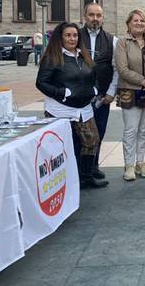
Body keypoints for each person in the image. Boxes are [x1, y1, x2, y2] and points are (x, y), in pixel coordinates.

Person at [35, 22, 109, 189]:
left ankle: (86, 177)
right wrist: (62, 92)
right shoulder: (52, 57)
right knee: (62, 147)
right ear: (60, 37)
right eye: (68, 35)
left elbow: (94, 74)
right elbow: (41, 83)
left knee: (91, 141)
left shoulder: (84, 55)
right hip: (60, 109)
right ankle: (64, 180)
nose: (72, 38)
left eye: (75, 35)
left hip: (84, 108)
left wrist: (95, 88)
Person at [115, 9, 145, 182]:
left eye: (142, 21)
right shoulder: (123, 42)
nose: (139, 23)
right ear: (128, 24)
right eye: (135, 21)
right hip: (130, 91)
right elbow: (122, 69)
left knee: (144, 130)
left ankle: (141, 162)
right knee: (131, 130)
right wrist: (144, 81)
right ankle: (129, 165)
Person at [80, 3, 119, 180]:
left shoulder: (112, 40)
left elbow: (116, 69)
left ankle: (94, 165)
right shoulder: (75, 36)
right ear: (85, 16)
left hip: (102, 96)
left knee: (99, 131)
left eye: (98, 15)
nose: (95, 19)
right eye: (91, 15)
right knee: (81, 134)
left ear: (103, 17)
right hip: (79, 97)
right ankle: (82, 169)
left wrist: (111, 92)